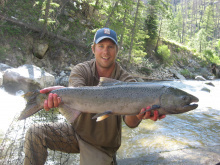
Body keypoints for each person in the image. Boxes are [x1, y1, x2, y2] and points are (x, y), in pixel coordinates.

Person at [24, 28, 166, 165]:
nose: (105, 51)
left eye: (110, 47)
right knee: (35, 132)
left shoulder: (128, 82)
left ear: (117, 50)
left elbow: (131, 123)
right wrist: (60, 93)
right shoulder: (81, 70)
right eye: (101, 46)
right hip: (75, 133)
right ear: (93, 49)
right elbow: (76, 92)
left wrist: (139, 114)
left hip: (102, 145)